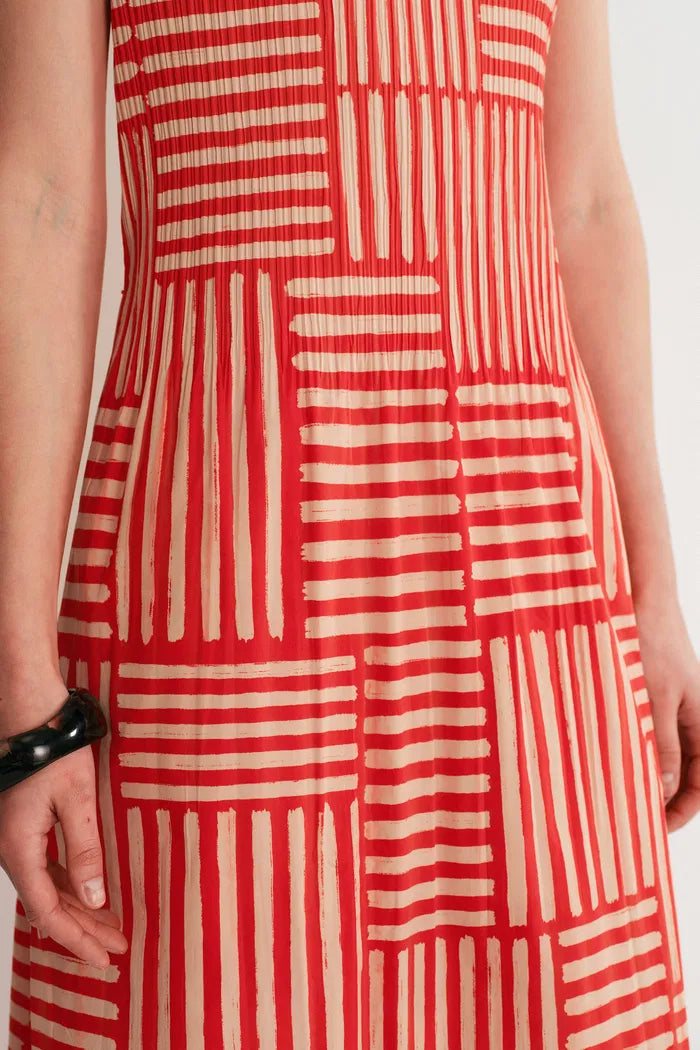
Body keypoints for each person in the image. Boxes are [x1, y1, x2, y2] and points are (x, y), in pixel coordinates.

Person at [0, 0, 697, 1045]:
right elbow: (44, 204)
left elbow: (588, 202)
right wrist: (20, 678)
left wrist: (656, 590)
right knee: (221, 994)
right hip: (223, 579)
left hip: (527, 574)